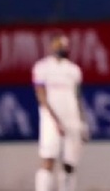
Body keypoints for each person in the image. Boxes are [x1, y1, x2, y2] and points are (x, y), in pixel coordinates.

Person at [33, 35, 88, 191]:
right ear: (51, 46)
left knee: (70, 162)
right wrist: (54, 119)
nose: (61, 48)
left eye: (64, 45)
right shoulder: (42, 67)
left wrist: (82, 123)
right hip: (50, 118)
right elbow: (41, 95)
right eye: (58, 45)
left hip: (72, 118)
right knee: (48, 157)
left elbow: (77, 98)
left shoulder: (73, 70)